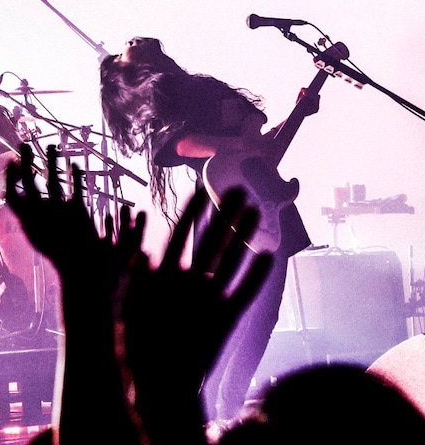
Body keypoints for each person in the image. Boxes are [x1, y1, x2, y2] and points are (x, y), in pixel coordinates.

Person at [99, 36, 318, 422]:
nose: (131, 40)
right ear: (129, 71)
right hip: (225, 209)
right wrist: (242, 142)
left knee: (264, 316)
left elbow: (265, 149)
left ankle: (227, 406)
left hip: (268, 199)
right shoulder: (161, 104)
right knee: (230, 315)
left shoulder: (203, 86)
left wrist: (297, 114)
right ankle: (202, 404)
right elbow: (179, 145)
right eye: (123, 50)